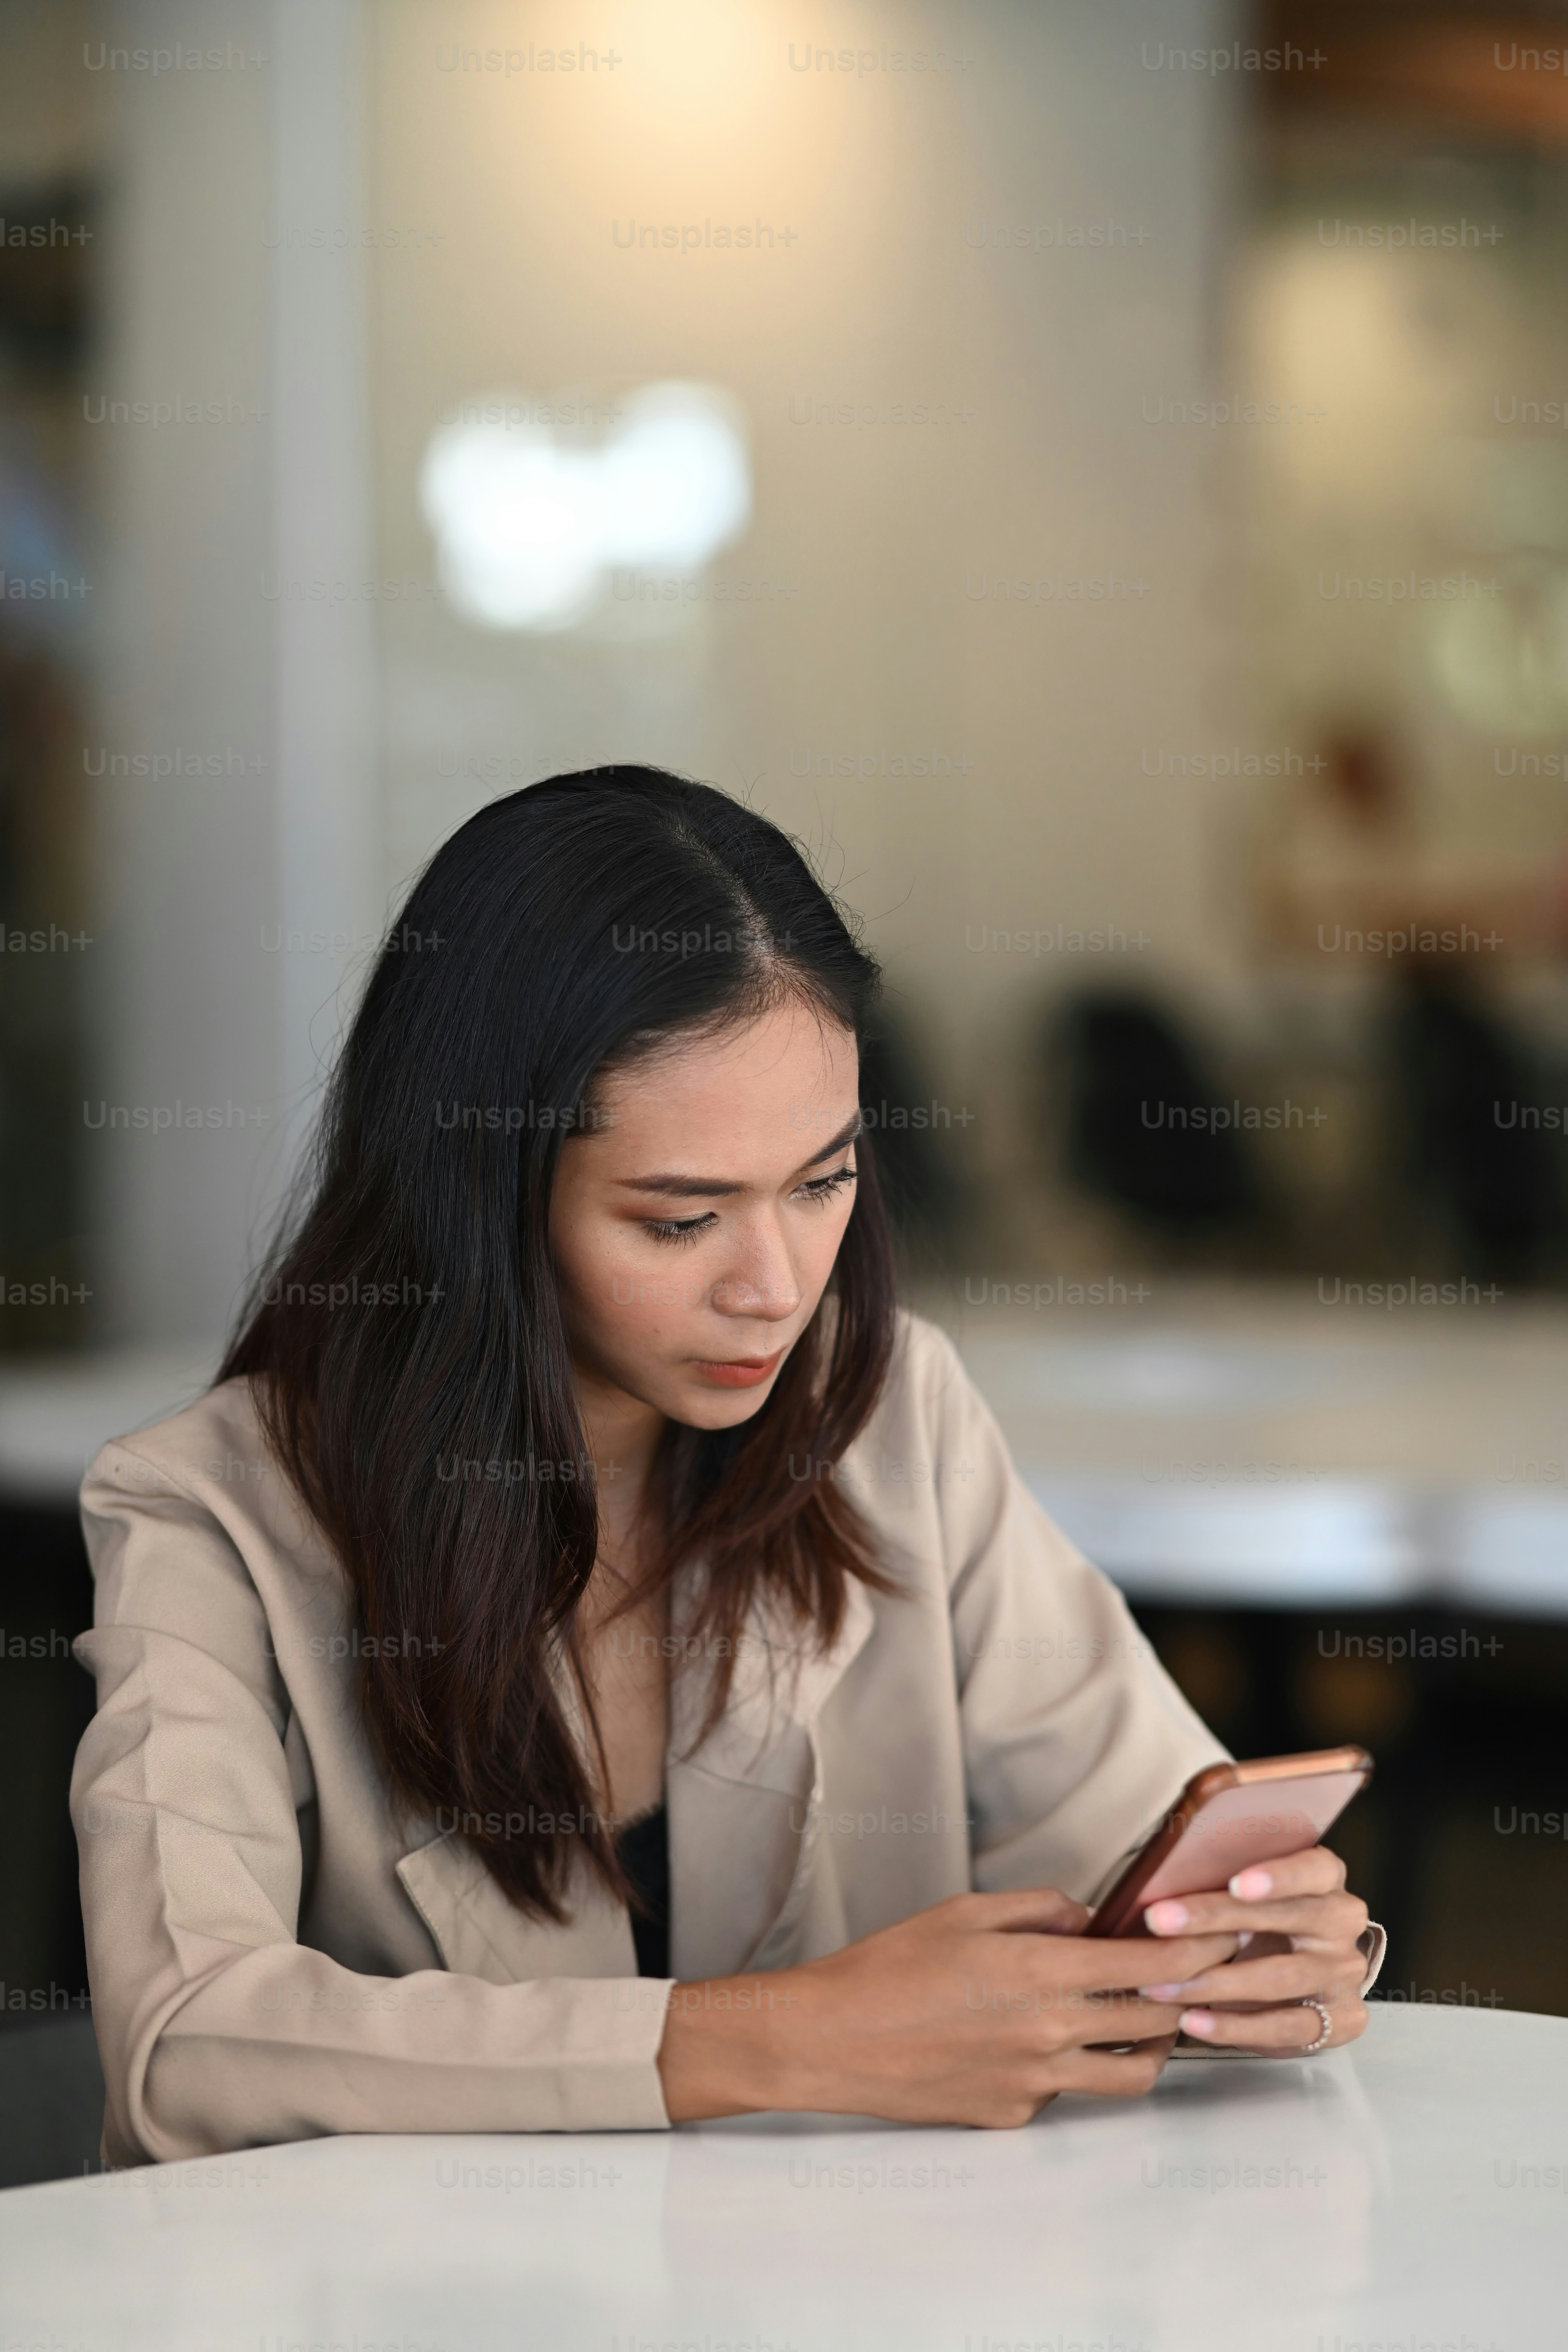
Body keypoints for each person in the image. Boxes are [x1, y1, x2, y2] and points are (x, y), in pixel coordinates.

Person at [71, 769, 1381, 2166]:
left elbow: (1139, 1832)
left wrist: (1267, 1951)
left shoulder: (892, 1416)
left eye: (821, 1183)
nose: (776, 1288)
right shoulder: (213, 1514)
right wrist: (789, 2036)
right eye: (680, 1220)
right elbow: (187, 2044)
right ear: (479, 1195)